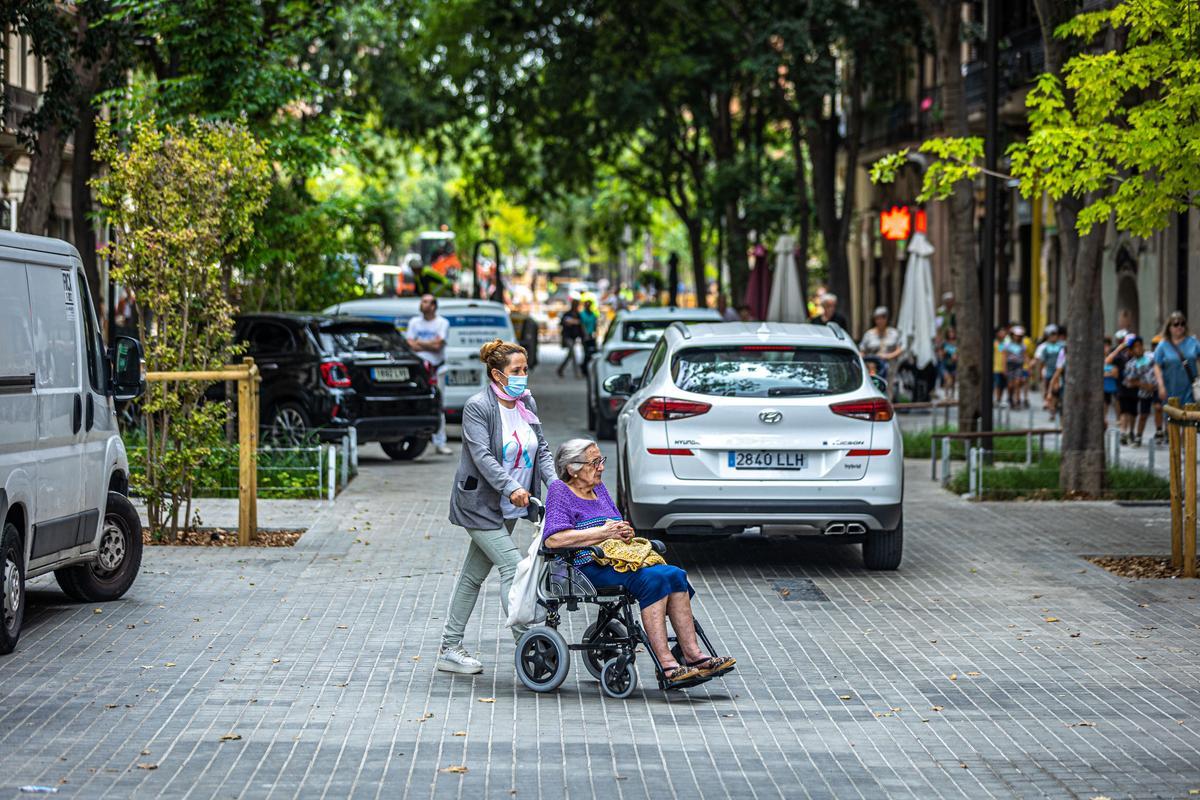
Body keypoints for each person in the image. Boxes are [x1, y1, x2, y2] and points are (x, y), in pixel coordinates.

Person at [542, 438, 736, 685]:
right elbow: (554, 540)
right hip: (587, 567)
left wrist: (624, 532)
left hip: (618, 560)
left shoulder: (599, 489)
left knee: (675, 573)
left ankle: (693, 655)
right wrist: (602, 533)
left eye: (601, 460)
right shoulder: (560, 491)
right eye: (594, 462)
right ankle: (666, 665)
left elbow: (615, 525)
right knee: (652, 579)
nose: (601, 467)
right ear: (572, 468)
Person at [439, 340, 557, 674]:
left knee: (473, 575)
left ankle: (449, 647)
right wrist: (512, 487)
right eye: (516, 371)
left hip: (510, 506)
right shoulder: (478, 407)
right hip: (478, 504)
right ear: (497, 374)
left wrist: (557, 486)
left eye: (525, 369)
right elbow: (483, 458)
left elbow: (542, 450)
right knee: (514, 568)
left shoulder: (526, 401)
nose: (523, 376)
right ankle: (529, 645)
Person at [406, 294, 453, 455]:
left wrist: (420, 343)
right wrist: (429, 344)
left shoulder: (442, 323)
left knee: (439, 405)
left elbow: (438, 346)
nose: (423, 304)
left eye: (426, 302)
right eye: (422, 301)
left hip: (437, 369)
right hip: (419, 370)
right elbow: (410, 344)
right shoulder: (414, 322)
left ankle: (440, 442)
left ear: (433, 306)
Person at [1154, 311, 1200, 405]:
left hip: (1190, 388)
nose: (1179, 326)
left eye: (1182, 324)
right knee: (1171, 416)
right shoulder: (1162, 345)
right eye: (1176, 324)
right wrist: (1161, 386)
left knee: (1190, 415)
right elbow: (1157, 366)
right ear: (1169, 327)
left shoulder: (1193, 342)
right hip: (1170, 388)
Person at [1107, 331, 1141, 443]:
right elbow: (1107, 361)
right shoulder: (1121, 357)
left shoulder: (1139, 358)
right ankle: (1123, 432)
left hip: (1135, 388)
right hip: (1122, 388)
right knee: (1124, 411)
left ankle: (1131, 431)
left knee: (1133, 412)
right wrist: (1120, 347)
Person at [859, 306, 904, 385]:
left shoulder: (894, 333)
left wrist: (888, 356)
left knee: (889, 390)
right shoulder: (869, 334)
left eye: (882, 318)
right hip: (873, 369)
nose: (880, 321)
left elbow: (900, 349)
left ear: (886, 319)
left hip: (890, 369)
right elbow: (862, 351)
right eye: (877, 318)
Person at [1034, 325, 1065, 420]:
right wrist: (1039, 373)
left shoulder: (1061, 346)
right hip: (1049, 372)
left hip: (1059, 372)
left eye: (1055, 335)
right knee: (1049, 391)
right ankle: (1052, 409)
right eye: (1051, 335)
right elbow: (1042, 362)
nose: (1053, 337)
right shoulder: (1045, 348)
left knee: (1056, 390)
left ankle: (1054, 407)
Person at [556, 299, 584, 378]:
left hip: (574, 337)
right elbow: (562, 322)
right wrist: (570, 322)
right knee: (573, 354)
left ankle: (560, 369)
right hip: (567, 336)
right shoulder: (568, 314)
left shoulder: (578, 314)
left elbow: (580, 325)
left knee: (570, 355)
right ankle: (577, 373)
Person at [580, 299, 599, 376]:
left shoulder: (593, 315)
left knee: (592, 353)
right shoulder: (582, 314)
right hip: (585, 336)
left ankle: (589, 369)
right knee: (586, 353)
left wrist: (595, 334)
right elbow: (582, 325)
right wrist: (585, 335)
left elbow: (595, 325)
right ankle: (584, 369)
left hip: (592, 335)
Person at [992, 325, 1009, 406]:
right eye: (1001, 332)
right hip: (996, 367)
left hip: (1003, 367)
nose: (1003, 333)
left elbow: (1005, 355)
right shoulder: (994, 343)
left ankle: (999, 399)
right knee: (997, 384)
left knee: (1002, 385)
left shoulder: (1005, 343)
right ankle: (997, 399)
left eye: (1004, 332)